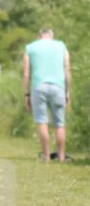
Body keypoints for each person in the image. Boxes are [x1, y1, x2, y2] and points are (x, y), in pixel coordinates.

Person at [23, 28, 71, 162]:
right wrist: (67, 92)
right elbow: (67, 70)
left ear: (39, 36)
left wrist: (27, 94)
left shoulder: (30, 47)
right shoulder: (61, 46)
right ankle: (61, 157)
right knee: (59, 123)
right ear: (51, 36)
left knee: (41, 121)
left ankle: (46, 156)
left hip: (38, 87)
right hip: (58, 87)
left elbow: (26, 73)